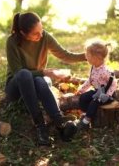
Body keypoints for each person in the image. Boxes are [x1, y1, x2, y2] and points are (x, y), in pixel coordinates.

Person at [5, 12, 86, 146]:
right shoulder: (12, 41)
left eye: (41, 30)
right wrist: (43, 72)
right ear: (23, 33)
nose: (41, 35)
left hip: (37, 84)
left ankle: (60, 123)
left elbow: (65, 55)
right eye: (36, 33)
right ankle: (40, 126)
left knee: (40, 80)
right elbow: (18, 72)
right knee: (25, 74)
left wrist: (87, 55)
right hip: (16, 87)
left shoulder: (44, 37)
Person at [75, 39, 117, 130]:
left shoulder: (105, 71)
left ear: (96, 57)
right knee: (83, 98)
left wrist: (107, 95)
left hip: (106, 94)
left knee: (95, 101)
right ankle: (85, 114)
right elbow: (90, 80)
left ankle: (86, 121)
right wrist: (82, 89)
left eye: (88, 54)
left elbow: (114, 84)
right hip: (97, 91)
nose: (85, 56)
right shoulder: (94, 67)